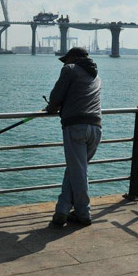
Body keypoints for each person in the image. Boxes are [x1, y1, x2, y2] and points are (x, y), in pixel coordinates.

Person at [45, 47, 102, 226]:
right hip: (96, 127)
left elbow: (56, 96)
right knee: (75, 170)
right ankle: (62, 212)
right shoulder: (96, 76)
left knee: (78, 171)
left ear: (73, 58)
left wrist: (51, 108)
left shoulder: (69, 69)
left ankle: (84, 213)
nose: (65, 63)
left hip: (76, 126)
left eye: (67, 59)